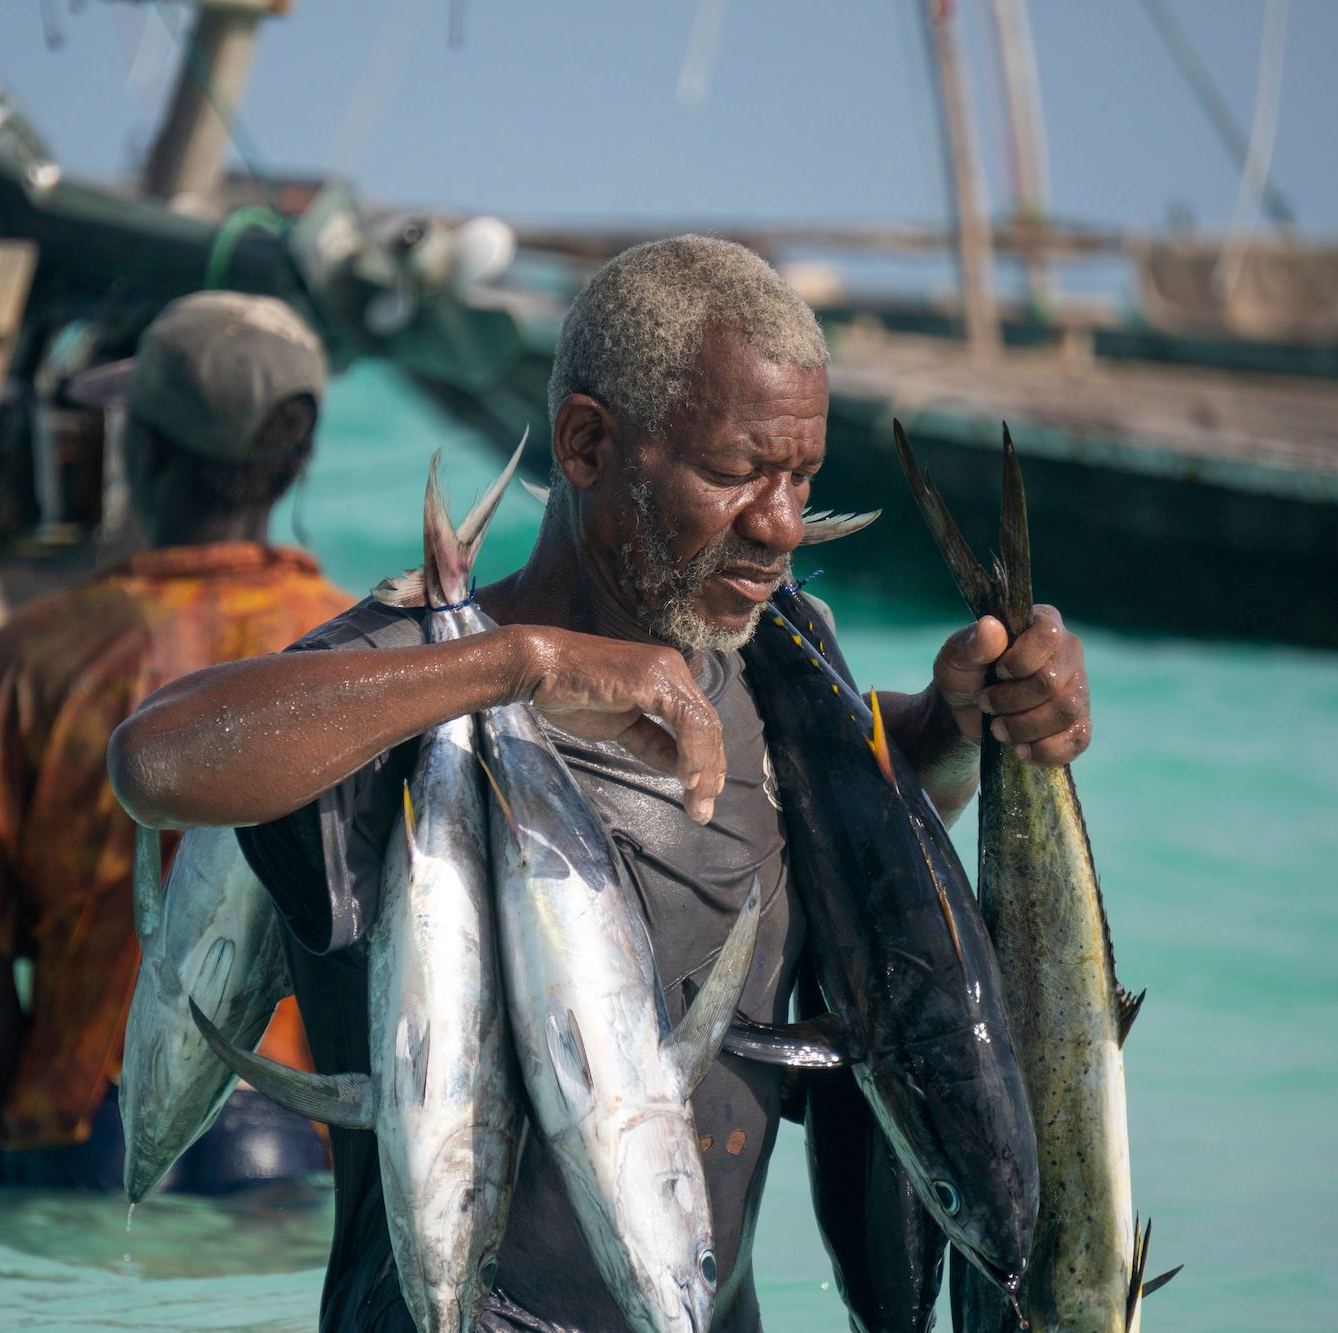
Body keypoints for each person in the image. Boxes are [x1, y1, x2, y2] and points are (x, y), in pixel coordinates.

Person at [108, 237, 1091, 1327]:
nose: (777, 523)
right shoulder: (410, 677)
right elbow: (158, 760)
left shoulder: (773, 672)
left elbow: (868, 879)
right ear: (584, 443)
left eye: (800, 476)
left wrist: (970, 723)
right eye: (730, 473)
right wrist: (520, 666)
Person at [0, 291, 351, 1193]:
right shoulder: (362, 652)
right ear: (296, 463)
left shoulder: (34, 657)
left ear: (140, 448)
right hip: (285, 1138)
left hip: (82, 1124)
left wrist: (25, 1134)